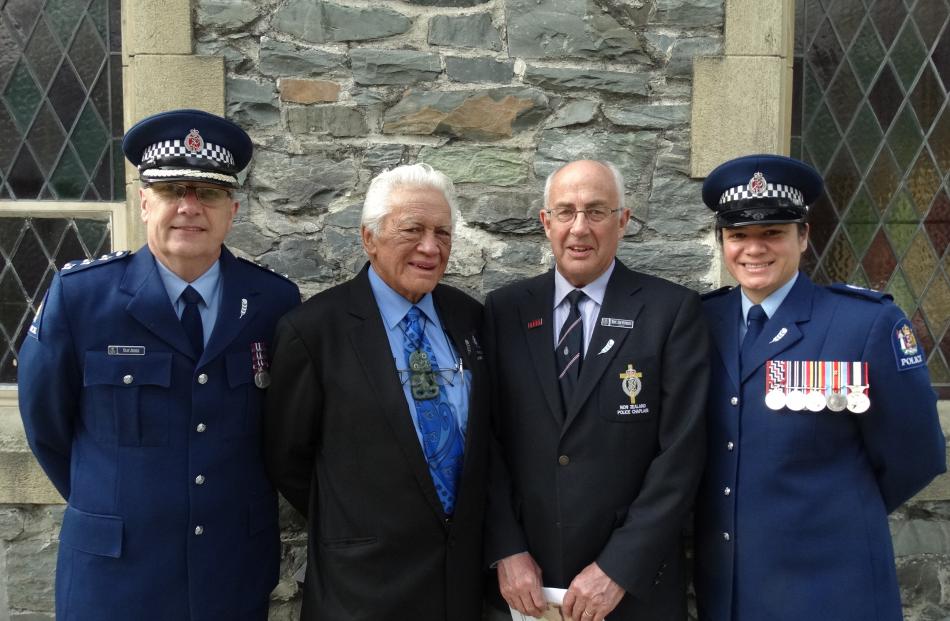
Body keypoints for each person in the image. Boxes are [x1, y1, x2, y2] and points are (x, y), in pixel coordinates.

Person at [16, 109, 301, 621]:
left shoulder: (273, 302)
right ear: (144, 203)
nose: (189, 207)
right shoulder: (82, 298)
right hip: (116, 575)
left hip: (229, 570)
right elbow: (47, 429)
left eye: (208, 193)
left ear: (231, 210)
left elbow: (285, 430)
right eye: (173, 191)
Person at [693, 153, 946, 621]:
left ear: (804, 236)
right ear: (722, 241)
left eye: (772, 233)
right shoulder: (700, 323)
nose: (754, 249)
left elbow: (917, 455)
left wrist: (834, 513)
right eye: (738, 235)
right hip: (729, 590)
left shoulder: (865, 325)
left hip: (830, 588)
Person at [484, 159, 709, 621]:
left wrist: (619, 568)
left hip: (632, 590)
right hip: (527, 588)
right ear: (545, 223)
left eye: (597, 211)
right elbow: (485, 443)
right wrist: (506, 550)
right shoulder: (504, 310)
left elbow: (681, 457)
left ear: (623, 220)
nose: (579, 228)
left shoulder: (671, 312)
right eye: (565, 212)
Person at [263, 163, 488, 620]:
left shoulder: (471, 318)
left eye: (443, 233)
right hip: (362, 587)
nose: (431, 247)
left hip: (459, 584)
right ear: (369, 238)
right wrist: (359, 520)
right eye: (413, 229)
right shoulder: (314, 332)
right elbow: (287, 457)